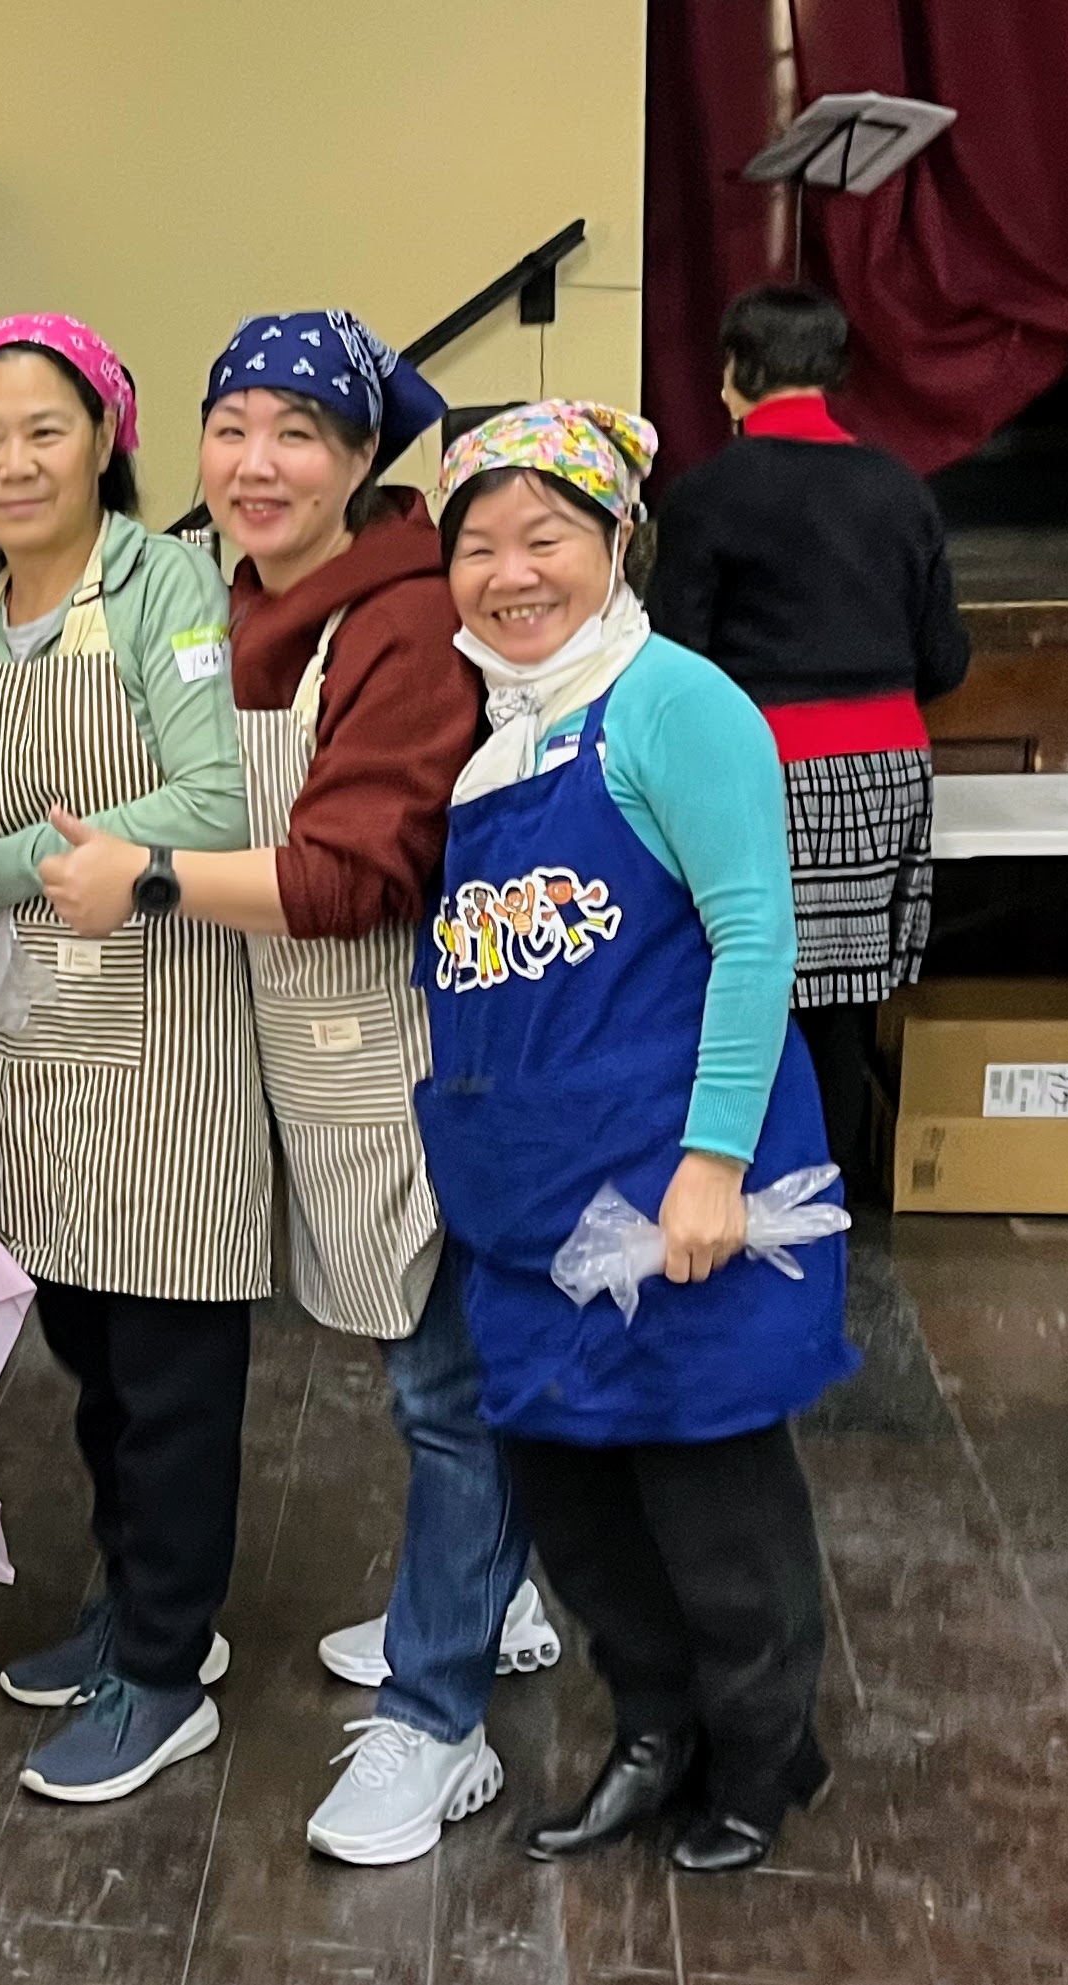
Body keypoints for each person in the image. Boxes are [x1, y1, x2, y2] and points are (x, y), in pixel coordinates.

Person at [421, 401, 856, 1876]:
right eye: (478, 545)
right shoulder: (498, 741)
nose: (510, 573)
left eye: (545, 535)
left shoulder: (675, 701)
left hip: (675, 1200)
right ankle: (655, 1734)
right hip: (536, 1211)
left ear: (621, 541)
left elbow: (755, 935)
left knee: (712, 1510)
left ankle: (763, 1758)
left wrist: (713, 1161)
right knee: (583, 1515)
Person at [153, 310, 557, 1865]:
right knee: (427, 1365)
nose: (257, 464)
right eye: (232, 426)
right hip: (308, 1046)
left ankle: (439, 1719)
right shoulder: (232, 597)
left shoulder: (397, 620)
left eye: (299, 434)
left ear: (363, 455)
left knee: (448, 1395)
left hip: (416, 1050)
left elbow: (350, 874)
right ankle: (490, 1592)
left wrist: (148, 878)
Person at [0, 315, 261, 1805]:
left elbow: (214, 797)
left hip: (165, 1024)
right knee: (93, 1357)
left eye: (43, 430)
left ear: (105, 439)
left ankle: (168, 1673)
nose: (12, 462)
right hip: (29, 1040)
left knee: (171, 1366)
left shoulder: (161, 582)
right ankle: (136, 1602)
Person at [648, 285, 971, 1191]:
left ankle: (743, 1185)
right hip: (885, 770)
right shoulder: (900, 490)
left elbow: (676, 659)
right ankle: (835, 1195)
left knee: (750, 984)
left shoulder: (704, 496)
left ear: (738, 375)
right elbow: (944, 658)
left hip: (759, 769)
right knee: (847, 1001)